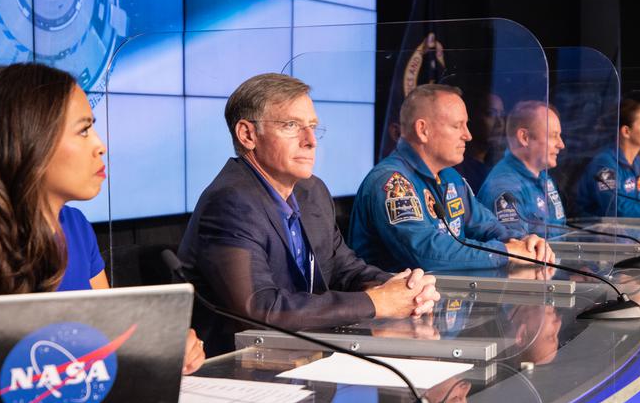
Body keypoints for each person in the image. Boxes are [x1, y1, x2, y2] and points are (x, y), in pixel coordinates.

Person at [0, 62, 206, 390]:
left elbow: (109, 340)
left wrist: (161, 347)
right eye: (84, 130)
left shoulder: (75, 225)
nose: (100, 145)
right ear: (29, 138)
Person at [178, 73, 439, 356]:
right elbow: (259, 309)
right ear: (248, 135)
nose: (311, 141)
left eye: (313, 127)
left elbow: (345, 269)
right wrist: (377, 303)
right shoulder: (230, 202)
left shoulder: (311, 191)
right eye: (291, 125)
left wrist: (401, 288)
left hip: (307, 357)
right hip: (239, 369)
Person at [350, 83, 555, 272]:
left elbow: (487, 226)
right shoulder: (391, 182)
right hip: (393, 308)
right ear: (423, 130)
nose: (468, 135)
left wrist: (524, 241)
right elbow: (427, 252)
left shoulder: (449, 176)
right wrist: (505, 252)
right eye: (457, 126)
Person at [477, 100, 568, 234]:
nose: (561, 144)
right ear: (525, 137)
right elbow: (518, 248)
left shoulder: (542, 175)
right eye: (553, 136)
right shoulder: (504, 188)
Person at [454, 91, 505, 194]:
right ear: (471, 119)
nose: (500, 123)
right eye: (491, 114)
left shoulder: (499, 161)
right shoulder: (457, 168)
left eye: (502, 115)